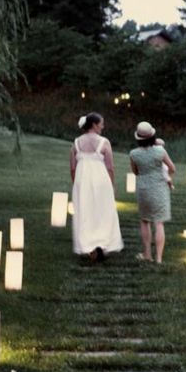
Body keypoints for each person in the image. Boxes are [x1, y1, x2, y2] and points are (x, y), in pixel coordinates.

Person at [70, 112, 123, 262]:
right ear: (94, 125)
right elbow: (110, 167)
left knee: (86, 213)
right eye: (101, 123)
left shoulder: (75, 143)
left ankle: (90, 247)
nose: (103, 126)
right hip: (101, 182)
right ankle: (102, 243)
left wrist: (76, 184)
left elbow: (72, 168)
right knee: (102, 212)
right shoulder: (104, 142)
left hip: (82, 181)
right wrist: (112, 185)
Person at [129, 121, 176, 264]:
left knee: (145, 221)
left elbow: (135, 172)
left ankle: (147, 254)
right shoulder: (160, 151)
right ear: (152, 136)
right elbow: (172, 168)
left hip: (143, 189)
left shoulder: (133, 154)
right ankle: (159, 258)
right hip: (159, 188)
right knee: (159, 223)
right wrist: (167, 177)